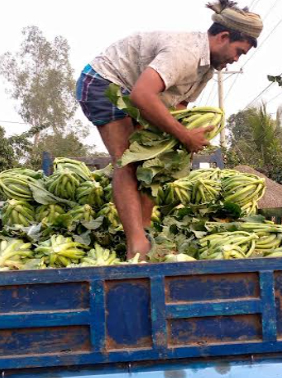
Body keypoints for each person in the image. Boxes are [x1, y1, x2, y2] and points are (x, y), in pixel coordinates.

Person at [76, 0, 263, 260]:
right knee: (126, 160)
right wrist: (184, 135)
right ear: (223, 37)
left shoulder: (207, 66)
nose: (235, 59)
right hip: (104, 81)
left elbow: (179, 104)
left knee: (151, 162)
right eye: (239, 51)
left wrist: (174, 145)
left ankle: (143, 228)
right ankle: (136, 243)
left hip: (134, 92)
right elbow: (143, 95)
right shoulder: (184, 53)